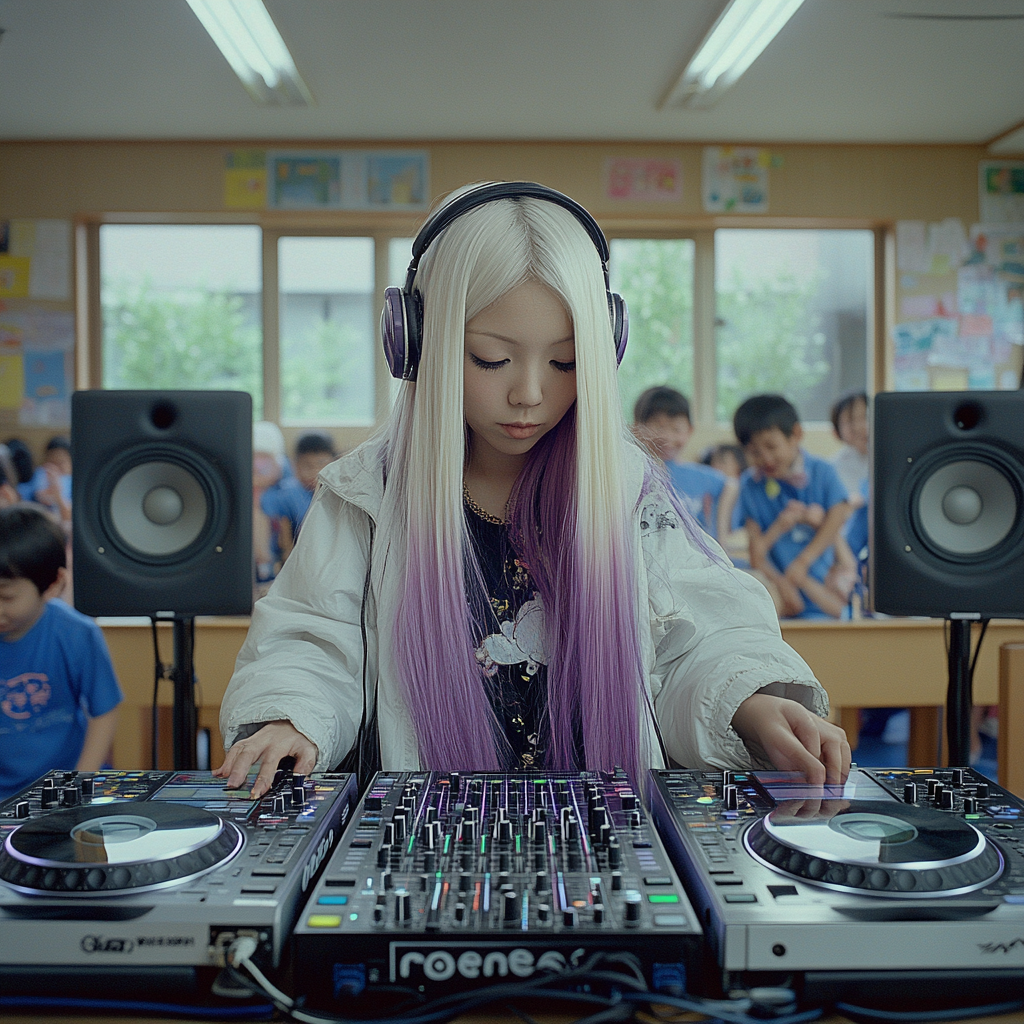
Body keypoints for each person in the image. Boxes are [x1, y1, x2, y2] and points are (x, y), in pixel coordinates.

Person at [216, 181, 849, 799]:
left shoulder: (626, 492)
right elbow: (310, 638)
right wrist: (290, 716)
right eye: (490, 359)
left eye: (567, 362)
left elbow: (699, 639)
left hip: (598, 837)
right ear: (417, 344)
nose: (529, 393)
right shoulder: (365, 497)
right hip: (428, 839)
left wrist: (749, 700)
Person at [0, 505, 122, 800]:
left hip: (66, 784)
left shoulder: (77, 634)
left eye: (6, 596)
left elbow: (104, 711)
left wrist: (79, 782)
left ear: (53, 584)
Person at [734, 394, 855, 620]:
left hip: (824, 593)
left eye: (771, 446)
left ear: (796, 435)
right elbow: (756, 553)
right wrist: (782, 583)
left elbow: (836, 519)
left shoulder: (822, 471)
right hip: (780, 602)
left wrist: (803, 562)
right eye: (754, 452)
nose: (765, 458)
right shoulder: (750, 485)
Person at [632, 386, 738, 542]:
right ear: (636, 429)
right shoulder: (634, 473)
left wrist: (721, 532)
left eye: (676, 429)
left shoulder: (694, 474)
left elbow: (731, 484)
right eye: (658, 427)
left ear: (689, 431)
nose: (666, 437)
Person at [260, 431, 338, 563]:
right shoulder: (287, 492)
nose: (315, 472)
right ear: (295, 465)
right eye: (307, 466)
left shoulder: (337, 492)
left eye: (321, 464)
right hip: (297, 557)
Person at [829, 391, 869, 505]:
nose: (858, 427)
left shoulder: (894, 459)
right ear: (836, 431)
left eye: (864, 417)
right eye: (849, 421)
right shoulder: (833, 467)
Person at [26, 436, 72, 524]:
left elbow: (69, 516)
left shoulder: (73, 482)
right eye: (52, 462)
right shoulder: (40, 475)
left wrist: (57, 495)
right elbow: (40, 498)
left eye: (61, 463)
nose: (55, 468)